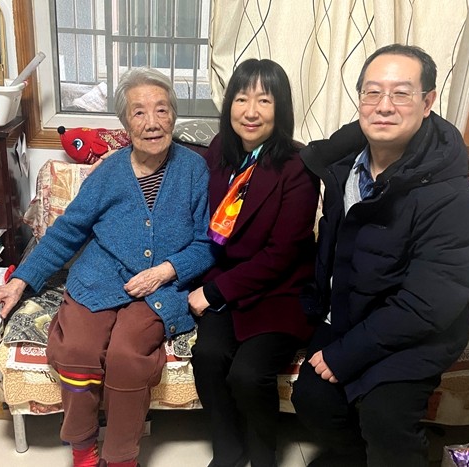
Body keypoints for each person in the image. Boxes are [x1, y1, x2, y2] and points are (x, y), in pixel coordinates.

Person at [0, 67, 215, 467]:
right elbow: (67, 232)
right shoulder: (108, 172)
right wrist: (20, 281)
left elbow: (206, 243)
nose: (152, 122)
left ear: (173, 117)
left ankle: (121, 456)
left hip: (161, 287)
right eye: (139, 112)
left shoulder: (194, 169)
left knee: (128, 356)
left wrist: (166, 270)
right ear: (125, 123)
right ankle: (83, 449)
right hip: (99, 276)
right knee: (76, 349)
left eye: (161, 110)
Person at [290, 44, 469, 467]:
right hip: (348, 314)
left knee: (385, 417)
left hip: (416, 333)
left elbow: (427, 305)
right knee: (312, 398)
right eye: (372, 92)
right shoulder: (344, 167)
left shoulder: (454, 197)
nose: (384, 106)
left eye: (401, 93)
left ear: (428, 102)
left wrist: (348, 353)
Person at [188, 58, 319, 467]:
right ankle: (228, 450)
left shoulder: (298, 167)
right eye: (242, 98)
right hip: (228, 282)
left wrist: (213, 292)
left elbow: (282, 254)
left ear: (280, 109)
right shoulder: (219, 152)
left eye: (264, 100)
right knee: (208, 357)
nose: (250, 111)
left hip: (280, 290)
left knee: (248, 374)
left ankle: (264, 458)